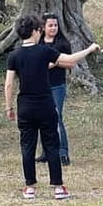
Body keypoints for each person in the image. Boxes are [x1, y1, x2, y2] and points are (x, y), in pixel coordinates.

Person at [4, 14, 100, 200]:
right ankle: (57, 187)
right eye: (39, 30)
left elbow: (9, 84)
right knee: (51, 144)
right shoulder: (44, 51)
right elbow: (71, 59)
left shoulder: (14, 55)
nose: (41, 33)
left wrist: (9, 108)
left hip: (24, 106)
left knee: (27, 146)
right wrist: (89, 49)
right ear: (34, 31)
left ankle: (30, 187)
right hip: (45, 105)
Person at [35, 12, 73, 166]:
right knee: (42, 119)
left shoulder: (62, 44)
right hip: (41, 85)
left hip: (57, 85)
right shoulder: (38, 44)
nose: (53, 28)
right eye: (50, 25)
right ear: (43, 27)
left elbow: (70, 63)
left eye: (55, 25)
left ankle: (63, 152)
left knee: (57, 118)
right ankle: (46, 152)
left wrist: (55, 62)